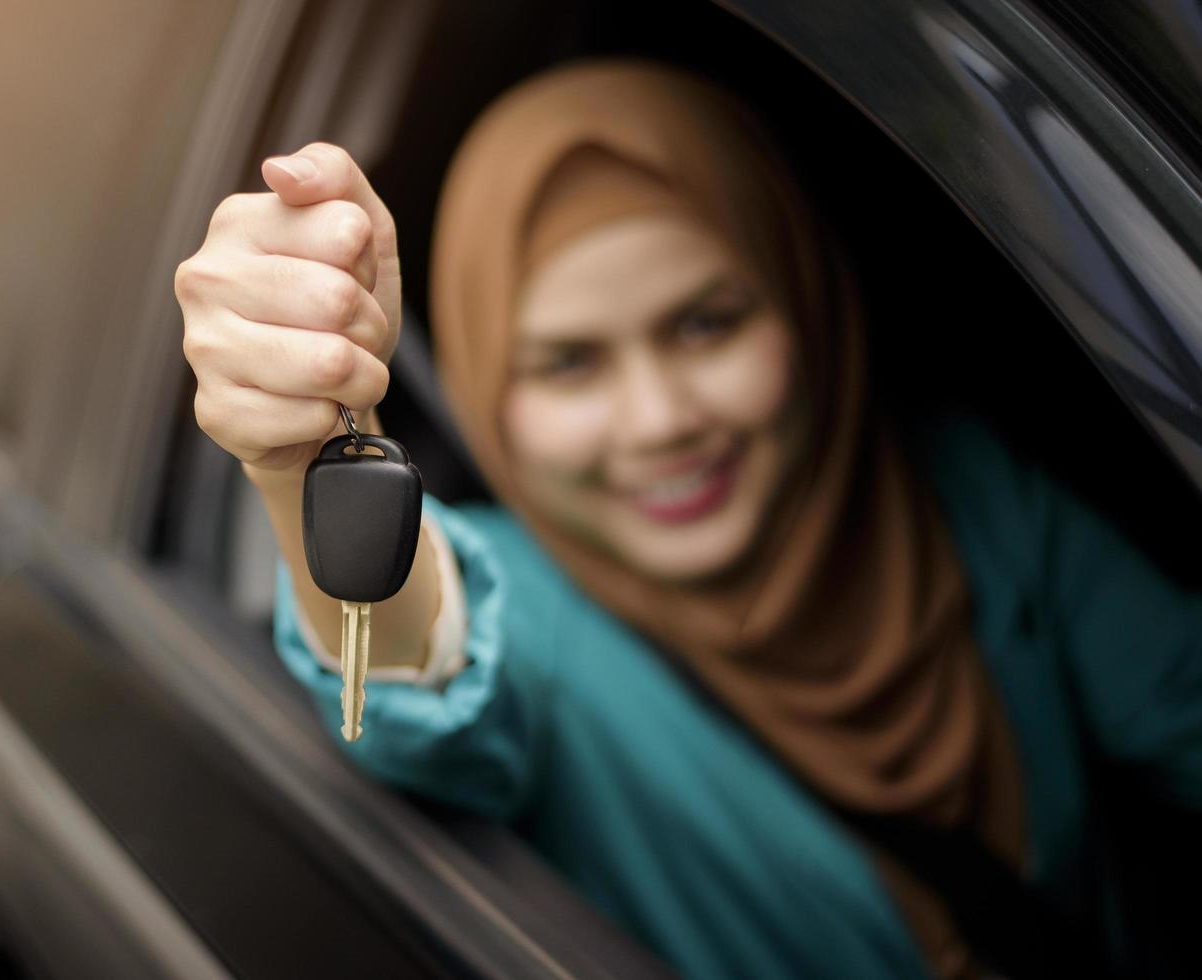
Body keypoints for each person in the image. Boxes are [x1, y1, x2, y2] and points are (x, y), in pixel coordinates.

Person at [174, 60, 1202, 979]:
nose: (660, 420)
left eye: (706, 322)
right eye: (568, 362)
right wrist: (304, 452)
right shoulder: (528, 617)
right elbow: (417, 662)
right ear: (490, 383)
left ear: (803, 300)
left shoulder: (971, 490)